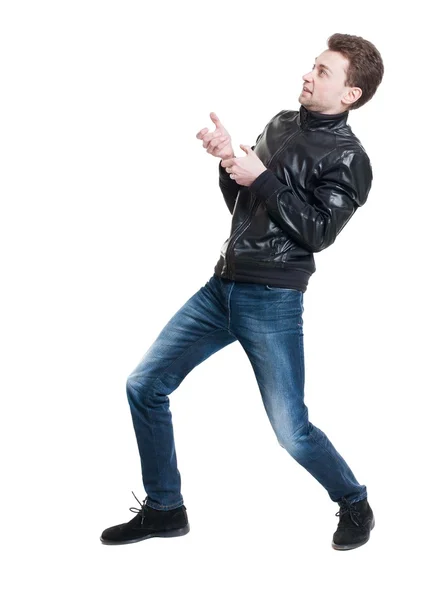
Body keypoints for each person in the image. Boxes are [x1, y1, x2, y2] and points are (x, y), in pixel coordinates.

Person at [100, 33, 384, 551]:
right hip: (221, 286)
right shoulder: (280, 123)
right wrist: (229, 160)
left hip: (271, 301)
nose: (308, 74)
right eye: (312, 65)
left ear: (351, 94)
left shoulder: (350, 159)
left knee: (291, 431)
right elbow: (244, 199)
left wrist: (263, 177)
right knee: (144, 385)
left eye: (323, 71)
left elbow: (318, 232)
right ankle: (166, 508)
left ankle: (354, 501)